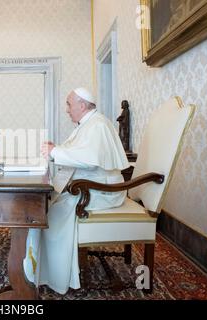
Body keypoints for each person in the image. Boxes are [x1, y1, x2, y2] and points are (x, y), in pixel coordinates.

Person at [23, 87, 129, 294]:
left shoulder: (97, 125)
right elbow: (81, 152)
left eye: (69, 104)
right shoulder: (89, 123)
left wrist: (56, 151)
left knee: (48, 214)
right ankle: (39, 268)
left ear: (82, 105)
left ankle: (53, 274)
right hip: (92, 185)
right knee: (44, 207)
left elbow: (88, 160)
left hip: (101, 191)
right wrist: (57, 149)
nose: (67, 109)